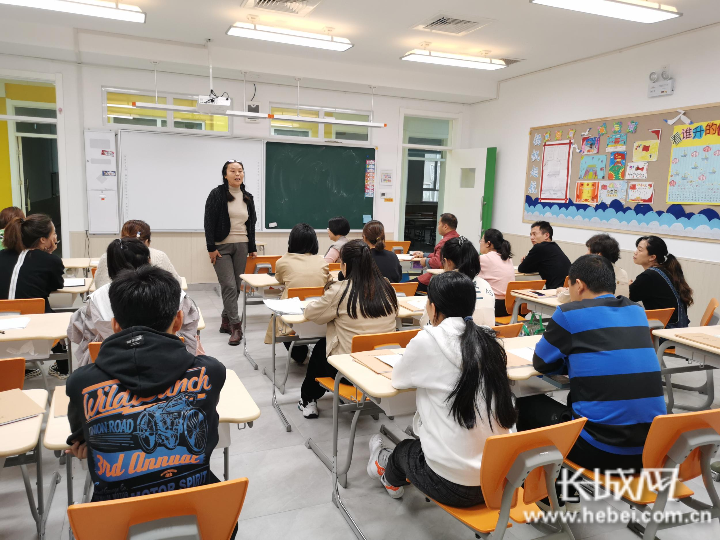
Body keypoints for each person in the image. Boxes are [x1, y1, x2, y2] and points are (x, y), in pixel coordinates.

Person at [65, 266, 227, 504]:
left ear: (115, 325)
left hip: (117, 522)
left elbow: (82, 440)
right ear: (178, 320)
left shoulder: (81, 383)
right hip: (198, 514)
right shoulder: (211, 372)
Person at [367, 272, 516, 504]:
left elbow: (398, 379)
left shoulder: (428, 340)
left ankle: (385, 473)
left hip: (453, 486)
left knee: (404, 451)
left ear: (433, 308)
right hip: (498, 479)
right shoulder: (489, 340)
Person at [516, 255, 665, 485]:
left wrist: (572, 361)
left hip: (601, 450)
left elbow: (541, 363)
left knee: (526, 405)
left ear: (579, 285)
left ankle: (555, 494)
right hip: (651, 450)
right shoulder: (636, 312)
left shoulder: (569, 313)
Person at [298, 240, 398, 418]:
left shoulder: (341, 290)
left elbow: (312, 314)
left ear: (345, 265)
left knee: (320, 349)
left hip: (350, 372)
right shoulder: (387, 286)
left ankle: (308, 399)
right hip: (384, 369)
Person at [69, 238, 201, 367]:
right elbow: (189, 337)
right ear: (148, 262)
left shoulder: (96, 300)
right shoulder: (174, 293)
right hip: (169, 364)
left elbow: (80, 337)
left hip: (112, 365)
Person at [0, 214, 67, 379]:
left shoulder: (2, 256)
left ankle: (17, 367)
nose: (55, 237)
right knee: (51, 312)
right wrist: (50, 255)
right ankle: (63, 368)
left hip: (2, 333)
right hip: (37, 334)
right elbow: (56, 285)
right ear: (43, 240)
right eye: (54, 234)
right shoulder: (50, 261)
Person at [204, 160, 258, 345]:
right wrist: (211, 247)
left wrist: (252, 247)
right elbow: (208, 221)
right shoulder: (217, 194)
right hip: (221, 247)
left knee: (235, 287)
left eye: (240, 171)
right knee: (228, 285)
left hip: (242, 245)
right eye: (233, 171)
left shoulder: (247, 196)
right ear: (225, 174)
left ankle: (225, 320)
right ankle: (236, 327)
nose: (237, 174)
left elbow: (251, 224)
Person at [264, 223, 330, 363]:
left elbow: (279, 279)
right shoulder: (322, 261)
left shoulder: (282, 262)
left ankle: (299, 354)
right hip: (320, 314)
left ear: (291, 241)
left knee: (278, 314)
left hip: (293, 315)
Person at [419, 237, 495, 327]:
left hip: (458, 340)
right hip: (487, 338)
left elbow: (426, 324)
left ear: (448, 262)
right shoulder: (486, 285)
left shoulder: (443, 286)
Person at [94, 220, 180, 289]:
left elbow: (99, 285)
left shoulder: (107, 256)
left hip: (111, 307)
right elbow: (176, 283)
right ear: (147, 242)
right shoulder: (159, 256)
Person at [630, 235, 692, 328]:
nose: (635, 252)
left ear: (652, 257)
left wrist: (627, 286)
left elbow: (628, 296)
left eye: (640, 250)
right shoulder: (668, 271)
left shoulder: (648, 276)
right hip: (676, 329)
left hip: (662, 333)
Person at [557, 234, 630, 303]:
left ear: (598, 255)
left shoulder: (592, 272)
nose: (586, 254)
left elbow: (565, 298)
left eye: (588, 250)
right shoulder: (623, 273)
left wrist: (560, 290)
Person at [410, 213, 460, 294]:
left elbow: (437, 262)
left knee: (408, 286)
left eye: (439, 224)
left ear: (445, 226)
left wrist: (425, 261)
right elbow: (441, 255)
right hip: (452, 277)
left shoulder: (445, 242)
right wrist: (424, 255)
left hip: (437, 278)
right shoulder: (458, 238)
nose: (438, 227)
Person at [517, 221, 571, 289]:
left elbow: (522, 268)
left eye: (534, 234)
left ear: (546, 235)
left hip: (554, 292)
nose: (531, 237)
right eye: (531, 235)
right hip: (566, 291)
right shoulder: (554, 246)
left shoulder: (539, 247)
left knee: (520, 297)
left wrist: (525, 262)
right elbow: (542, 266)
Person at [479, 229, 515, 316]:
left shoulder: (484, 259)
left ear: (488, 243)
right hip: (510, 306)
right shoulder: (508, 258)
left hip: (494, 306)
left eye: (481, 240)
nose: (480, 242)